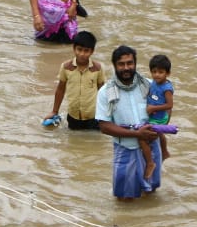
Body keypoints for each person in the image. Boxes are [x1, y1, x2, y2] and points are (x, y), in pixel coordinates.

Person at [95, 45, 161, 200]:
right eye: (121, 64)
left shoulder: (149, 86)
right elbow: (104, 126)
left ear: (135, 63)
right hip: (125, 148)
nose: (126, 68)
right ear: (115, 66)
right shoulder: (105, 92)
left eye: (130, 63)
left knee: (151, 193)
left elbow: (163, 112)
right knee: (124, 198)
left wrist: (158, 129)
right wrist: (136, 133)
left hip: (151, 146)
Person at [42, 30, 105, 130]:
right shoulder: (66, 67)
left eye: (86, 51)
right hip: (73, 117)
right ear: (74, 48)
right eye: (79, 49)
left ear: (92, 51)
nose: (82, 54)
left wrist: (106, 114)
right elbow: (60, 89)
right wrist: (54, 111)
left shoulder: (98, 68)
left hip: (93, 116)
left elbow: (102, 91)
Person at [145, 54, 174, 175]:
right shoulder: (153, 83)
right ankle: (164, 152)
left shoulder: (167, 88)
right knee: (158, 134)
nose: (157, 75)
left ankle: (150, 162)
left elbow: (169, 105)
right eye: (154, 72)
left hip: (160, 117)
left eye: (161, 72)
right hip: (153, 114)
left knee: (143, 138)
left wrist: (153, 108)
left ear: (167, 73)